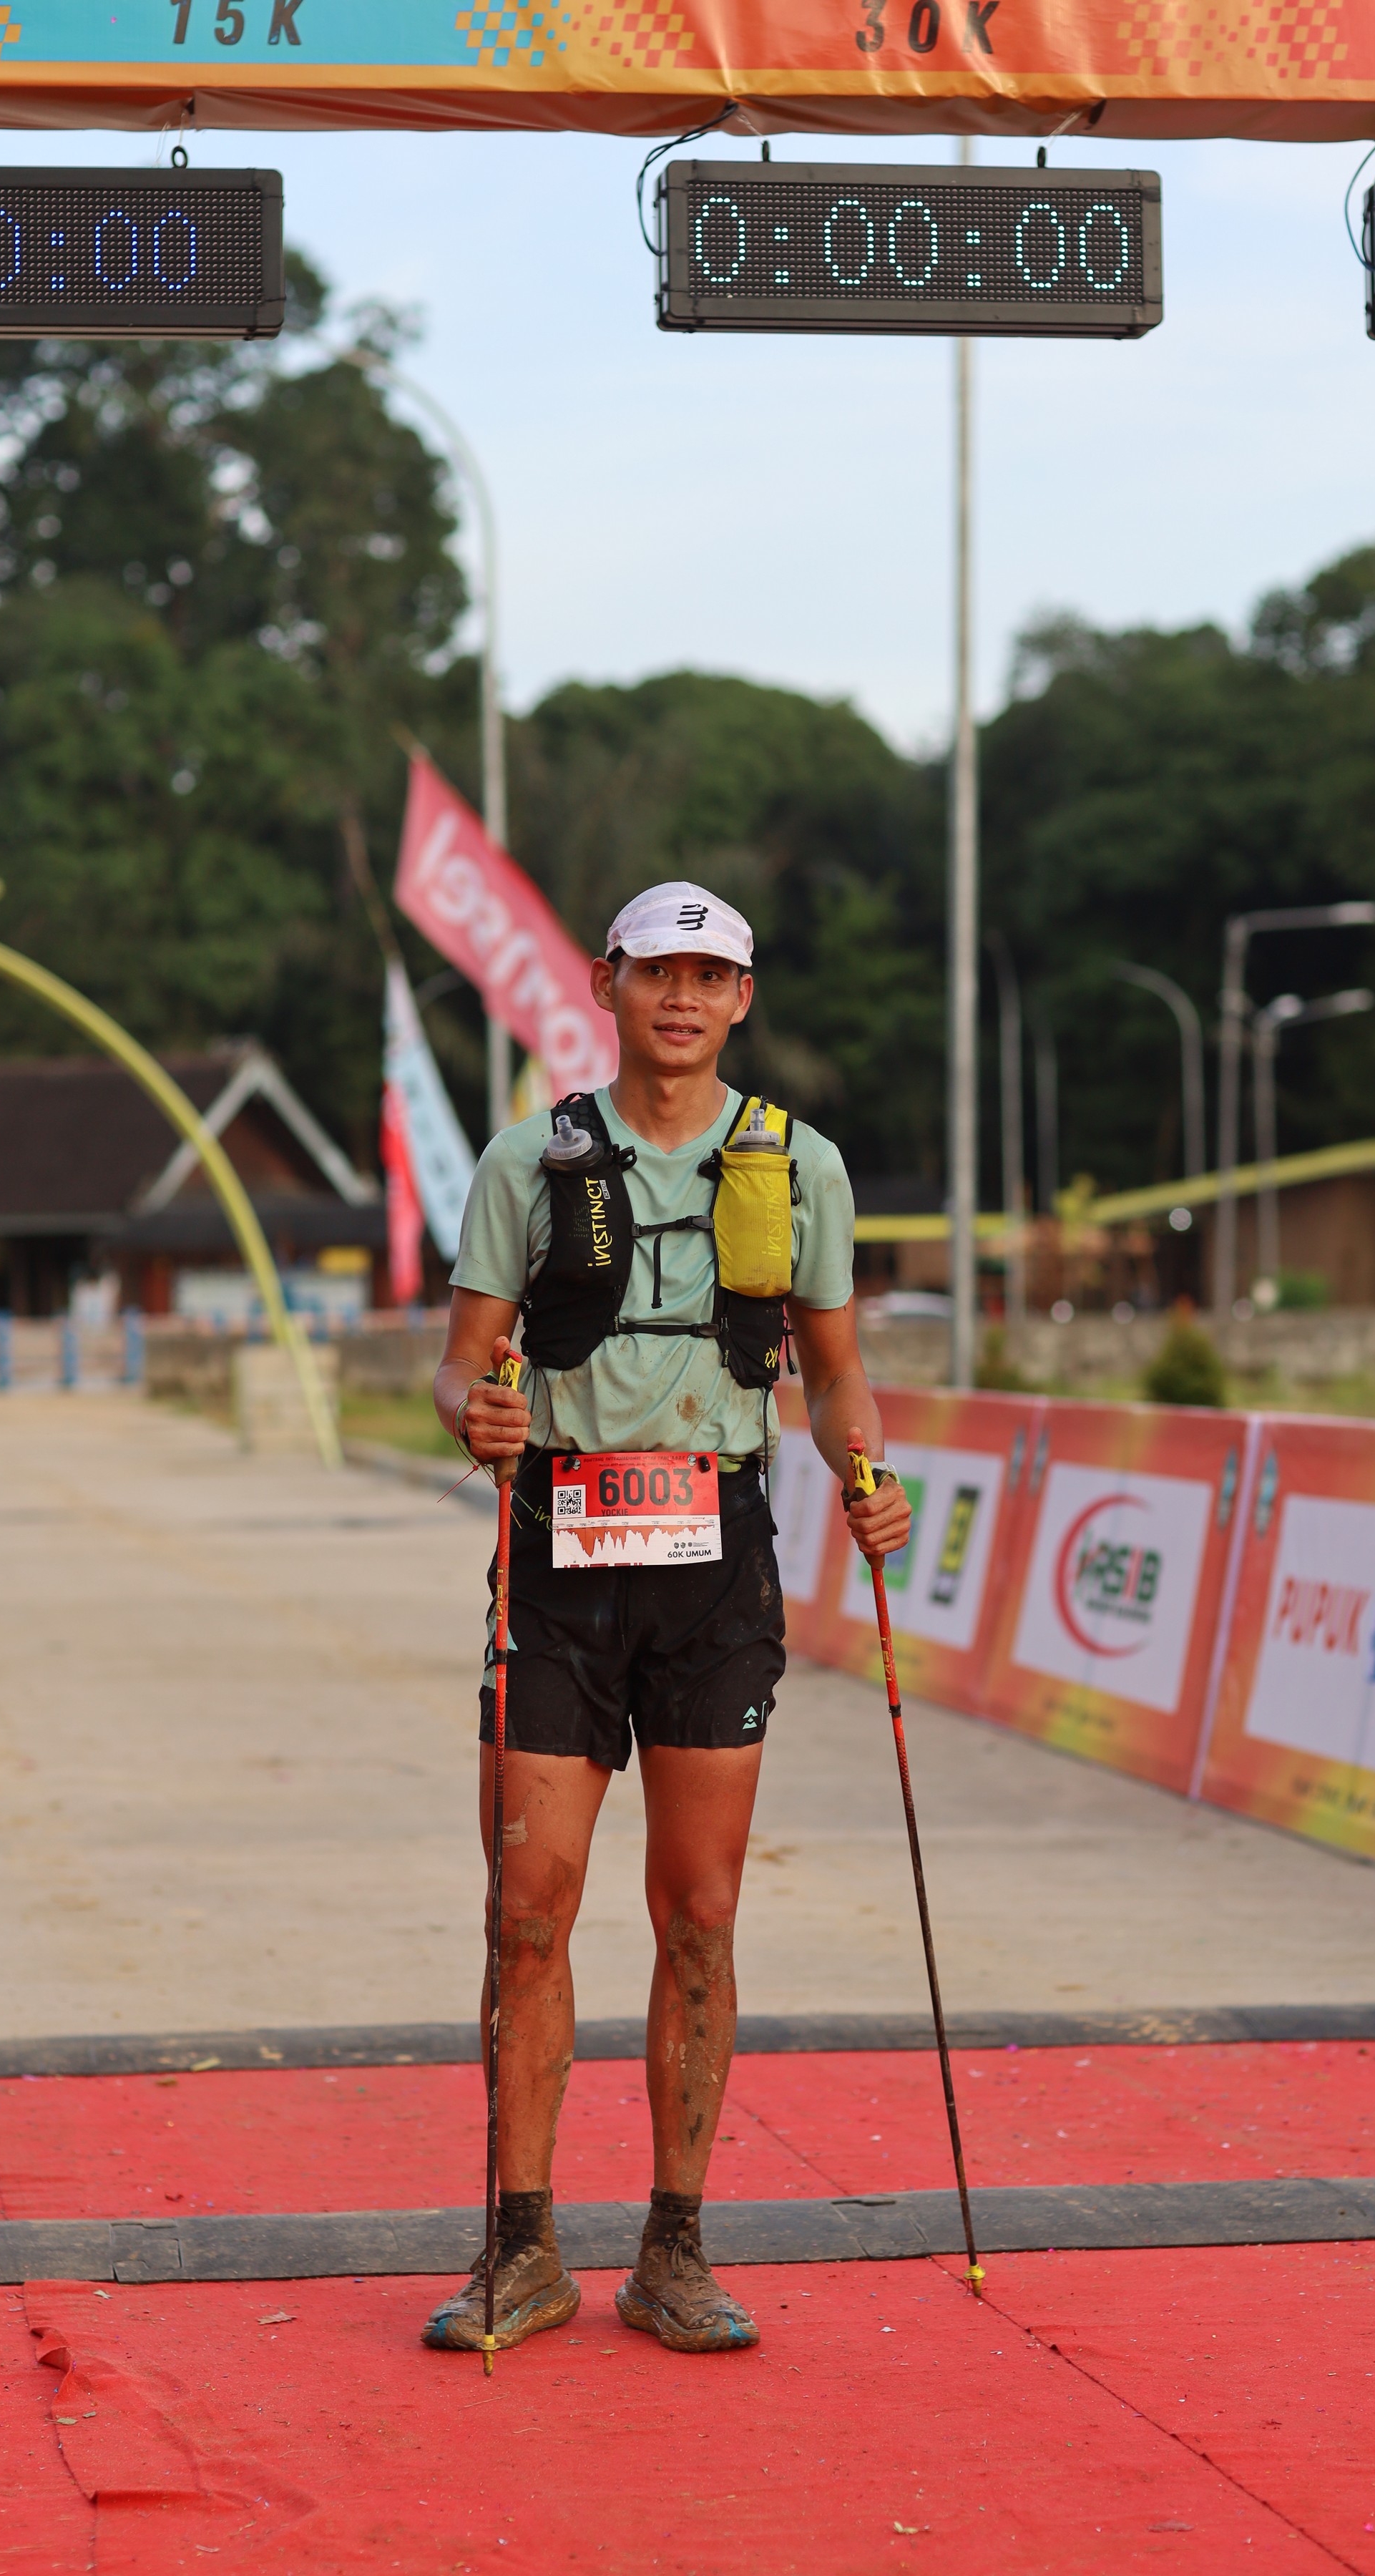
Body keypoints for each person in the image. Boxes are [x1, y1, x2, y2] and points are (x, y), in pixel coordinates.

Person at [421, 881, 911, 2360]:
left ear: (742, 999)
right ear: (607, 985)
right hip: (557, 1558)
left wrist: (869, 1475)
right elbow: (458, 1363)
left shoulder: (801, 1166)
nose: (682, 999)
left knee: (699, 1914)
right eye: (657, 973)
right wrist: (475, 1413)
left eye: (710, 976)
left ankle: (674, 2251)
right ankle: (522, 2249)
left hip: (716, 1560)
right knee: (526, 1910)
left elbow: (835, 1373)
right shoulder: (529, 1159)